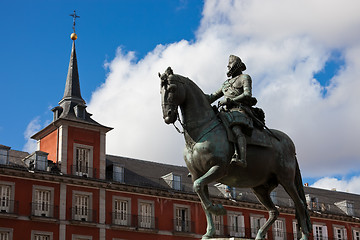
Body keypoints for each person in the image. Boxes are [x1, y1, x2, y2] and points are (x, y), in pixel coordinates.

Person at [207, 55, 257, 167]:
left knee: (236, 130)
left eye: (231, 65)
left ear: (237, 66)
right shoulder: (226, 83)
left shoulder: (245, 78)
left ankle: (242, 159)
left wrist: (231, 100)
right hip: (226, 112)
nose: (228, 67)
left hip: (240, 110)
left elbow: (247, 94)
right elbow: (212, 97)